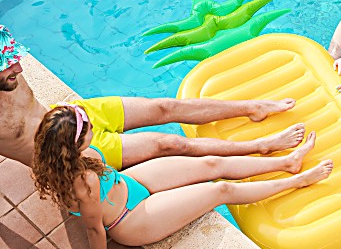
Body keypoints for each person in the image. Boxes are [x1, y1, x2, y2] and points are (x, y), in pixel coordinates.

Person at [0, 25, 305, 170]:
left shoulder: (10, 66)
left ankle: (252, 108)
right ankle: (261, 146)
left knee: (165, 106)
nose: (18, 66)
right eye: (7, 66)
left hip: (71, 116)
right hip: (71, 151)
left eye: (13, 57)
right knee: (170, 144)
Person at [32, 104, 333, 247]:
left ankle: (287, 162)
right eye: (88, 132)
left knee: (210, 164)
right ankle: (299, 179)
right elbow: (96, 230)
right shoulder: (83, 183)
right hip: (130, 217)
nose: (94, 132)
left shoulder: (66, 158)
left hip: (129, 185)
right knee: (221, 190)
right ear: (71, 147)